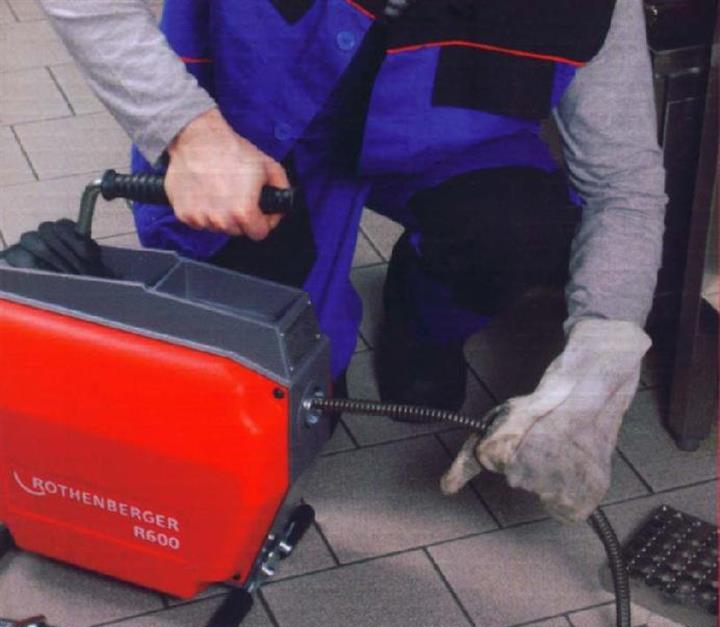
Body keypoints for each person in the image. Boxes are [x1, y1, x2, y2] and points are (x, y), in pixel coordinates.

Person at [16, 0, 666, 521]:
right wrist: (187, 131)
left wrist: (603, 349)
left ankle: (422, 317)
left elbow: (624, 181)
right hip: (256, 140)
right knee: (272, 403)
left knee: (518, 230)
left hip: (440, 139)